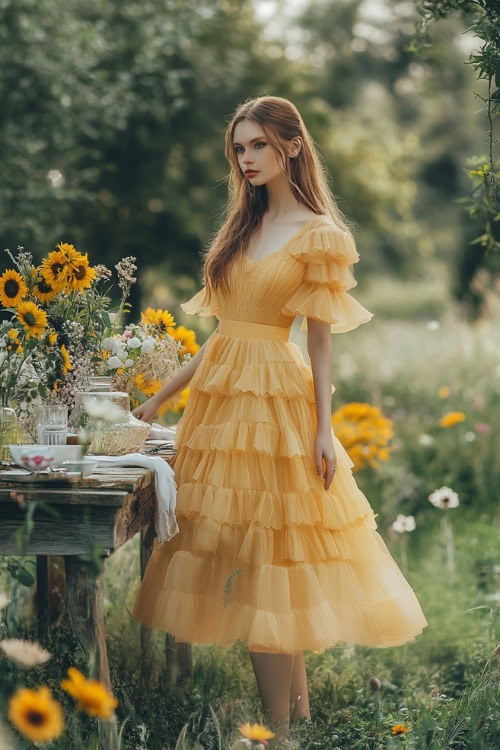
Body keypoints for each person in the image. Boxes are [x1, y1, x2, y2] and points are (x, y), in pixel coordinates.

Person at [131, 95, 428, 742]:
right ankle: (298, 717)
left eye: (258, 145)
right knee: (253, 551)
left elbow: (320, 339)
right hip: (221, 406)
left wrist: (324, 427)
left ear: (291, 145)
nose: (246, 159)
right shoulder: (242, 226)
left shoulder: (320, 233)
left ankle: (279, 731)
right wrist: (157, 400)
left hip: (276, 403)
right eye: (239, 148)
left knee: (273, 555)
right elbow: (220, 338)